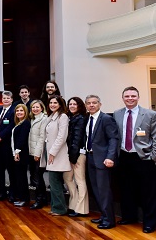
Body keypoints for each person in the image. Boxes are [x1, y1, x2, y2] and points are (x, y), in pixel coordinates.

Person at [113, 86, 156, 234]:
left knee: (148, 192)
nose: (130, 98)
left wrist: (153, 156)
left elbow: (155, 137)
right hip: (124, 156)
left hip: (144, 158)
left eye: (133, 96)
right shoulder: (117, 114)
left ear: (138, 97)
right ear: (123, 98)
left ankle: (149, 222)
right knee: (126, 189)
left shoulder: (150, 114)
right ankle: (128, 217)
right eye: (127, 96)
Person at [85, 94, 119, 229]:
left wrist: (110, 157)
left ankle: (109, 220)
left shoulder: (106, 119)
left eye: (94, 103)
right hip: (90, 158)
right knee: (96, 189)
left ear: (100, 104)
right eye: (89, 103)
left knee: (104, 191)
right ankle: (103, 215)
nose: (91, 105)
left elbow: (113, 139)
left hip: (103, 160)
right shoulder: (88, 118)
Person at [41, 95, 70, 216]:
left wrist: (52, 152)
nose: (52, 104)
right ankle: (55, 207)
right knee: (53, 182)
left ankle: (60, 208)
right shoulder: (51, 116)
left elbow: (62, 137)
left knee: (55, 182)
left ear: (60, 104)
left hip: (57, 154)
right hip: (50, 152)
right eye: (51, 102)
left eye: (55, 103)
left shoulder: (63, 116)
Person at [64, 97, 89, 217]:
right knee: (68, 179)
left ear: (80, 106)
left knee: (80, 180)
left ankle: (82, 209)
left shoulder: (81, 119)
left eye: (75, 104)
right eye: (70, 104)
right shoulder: (70, 118)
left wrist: (73, 158)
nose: (72, 106)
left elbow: (77, 139)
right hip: (70, 154)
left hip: (78, 154)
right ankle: (73, 205)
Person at [0, 91, 15, 202]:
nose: (5, 100)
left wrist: (0, 136)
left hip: (7, 145)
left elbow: (11, 126)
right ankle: (1, 192)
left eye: (8, 98)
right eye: (4, 98)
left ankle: (12, 193)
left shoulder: (14, 111)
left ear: (11, 100)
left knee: (10, 170)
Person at [28, 100, 48, 209]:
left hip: (37, 153)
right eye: (33, 107)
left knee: (37, 177)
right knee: (36, 177)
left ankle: (39, 200)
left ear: (42, 108)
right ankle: (43, 198)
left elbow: (42, 138)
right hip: (31, 152)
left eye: (37, 107)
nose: (35, 109)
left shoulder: (44, 119)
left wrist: (37, 153)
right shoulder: (32, 119)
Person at [11, 104, 31, 206]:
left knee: (22, 177)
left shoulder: (26, 123)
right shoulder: (19, 123)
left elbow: (22, 139)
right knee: (19, 176)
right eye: (17, 111)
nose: (19, 112)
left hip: (21, 154)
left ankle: (24, 199)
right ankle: (22, 198)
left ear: (25, 112)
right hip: (18, 153)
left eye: (21, 111)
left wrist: (17, 152)